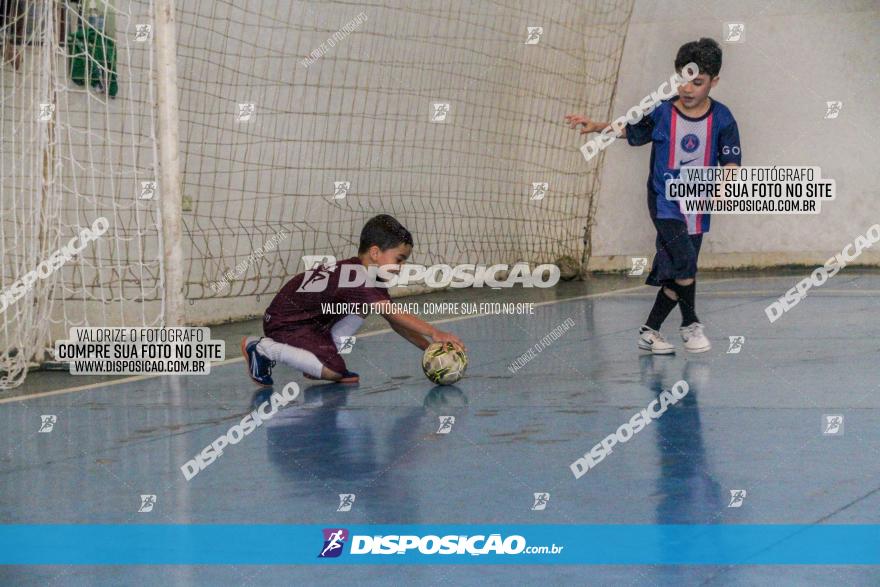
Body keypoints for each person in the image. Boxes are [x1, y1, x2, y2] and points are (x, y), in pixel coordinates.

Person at [566, 38, 741, 353]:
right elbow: (629, 129)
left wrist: (724, 185)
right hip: (664, 201)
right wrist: (596, 127)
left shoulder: (723, 119)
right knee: (685, 261)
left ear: (714, 81)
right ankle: (691, 324)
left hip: (698, 206)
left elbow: (730, 161)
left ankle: (650, 332)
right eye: (682, 80)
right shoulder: (662, 111)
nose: (688, 89)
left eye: (697, 83)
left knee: (678, 271)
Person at [242, 214, 465, 385]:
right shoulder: (359, 278)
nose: (402, 267)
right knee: (334, 371)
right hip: (285, 324)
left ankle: (318, 360)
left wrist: (429, 349)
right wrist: (435, 332)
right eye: (399, 259)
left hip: (312, 324)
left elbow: (394, 321)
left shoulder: (366, 275)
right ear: (375, 253)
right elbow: (393, 314)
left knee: (363, 308)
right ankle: (260, 348)